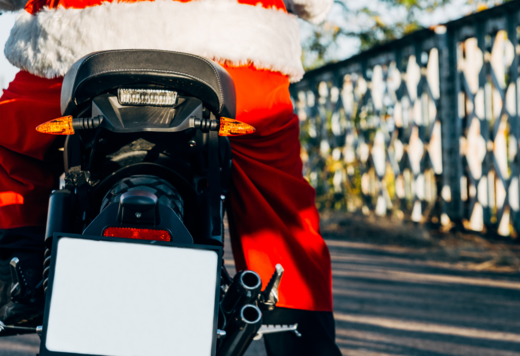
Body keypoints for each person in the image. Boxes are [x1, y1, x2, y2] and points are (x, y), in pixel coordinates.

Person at [0, 0, 342, 355]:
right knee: (278, 201)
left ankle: (17, 275)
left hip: (80, 44)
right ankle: (300, 333)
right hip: (237, 50)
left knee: (13, 149)